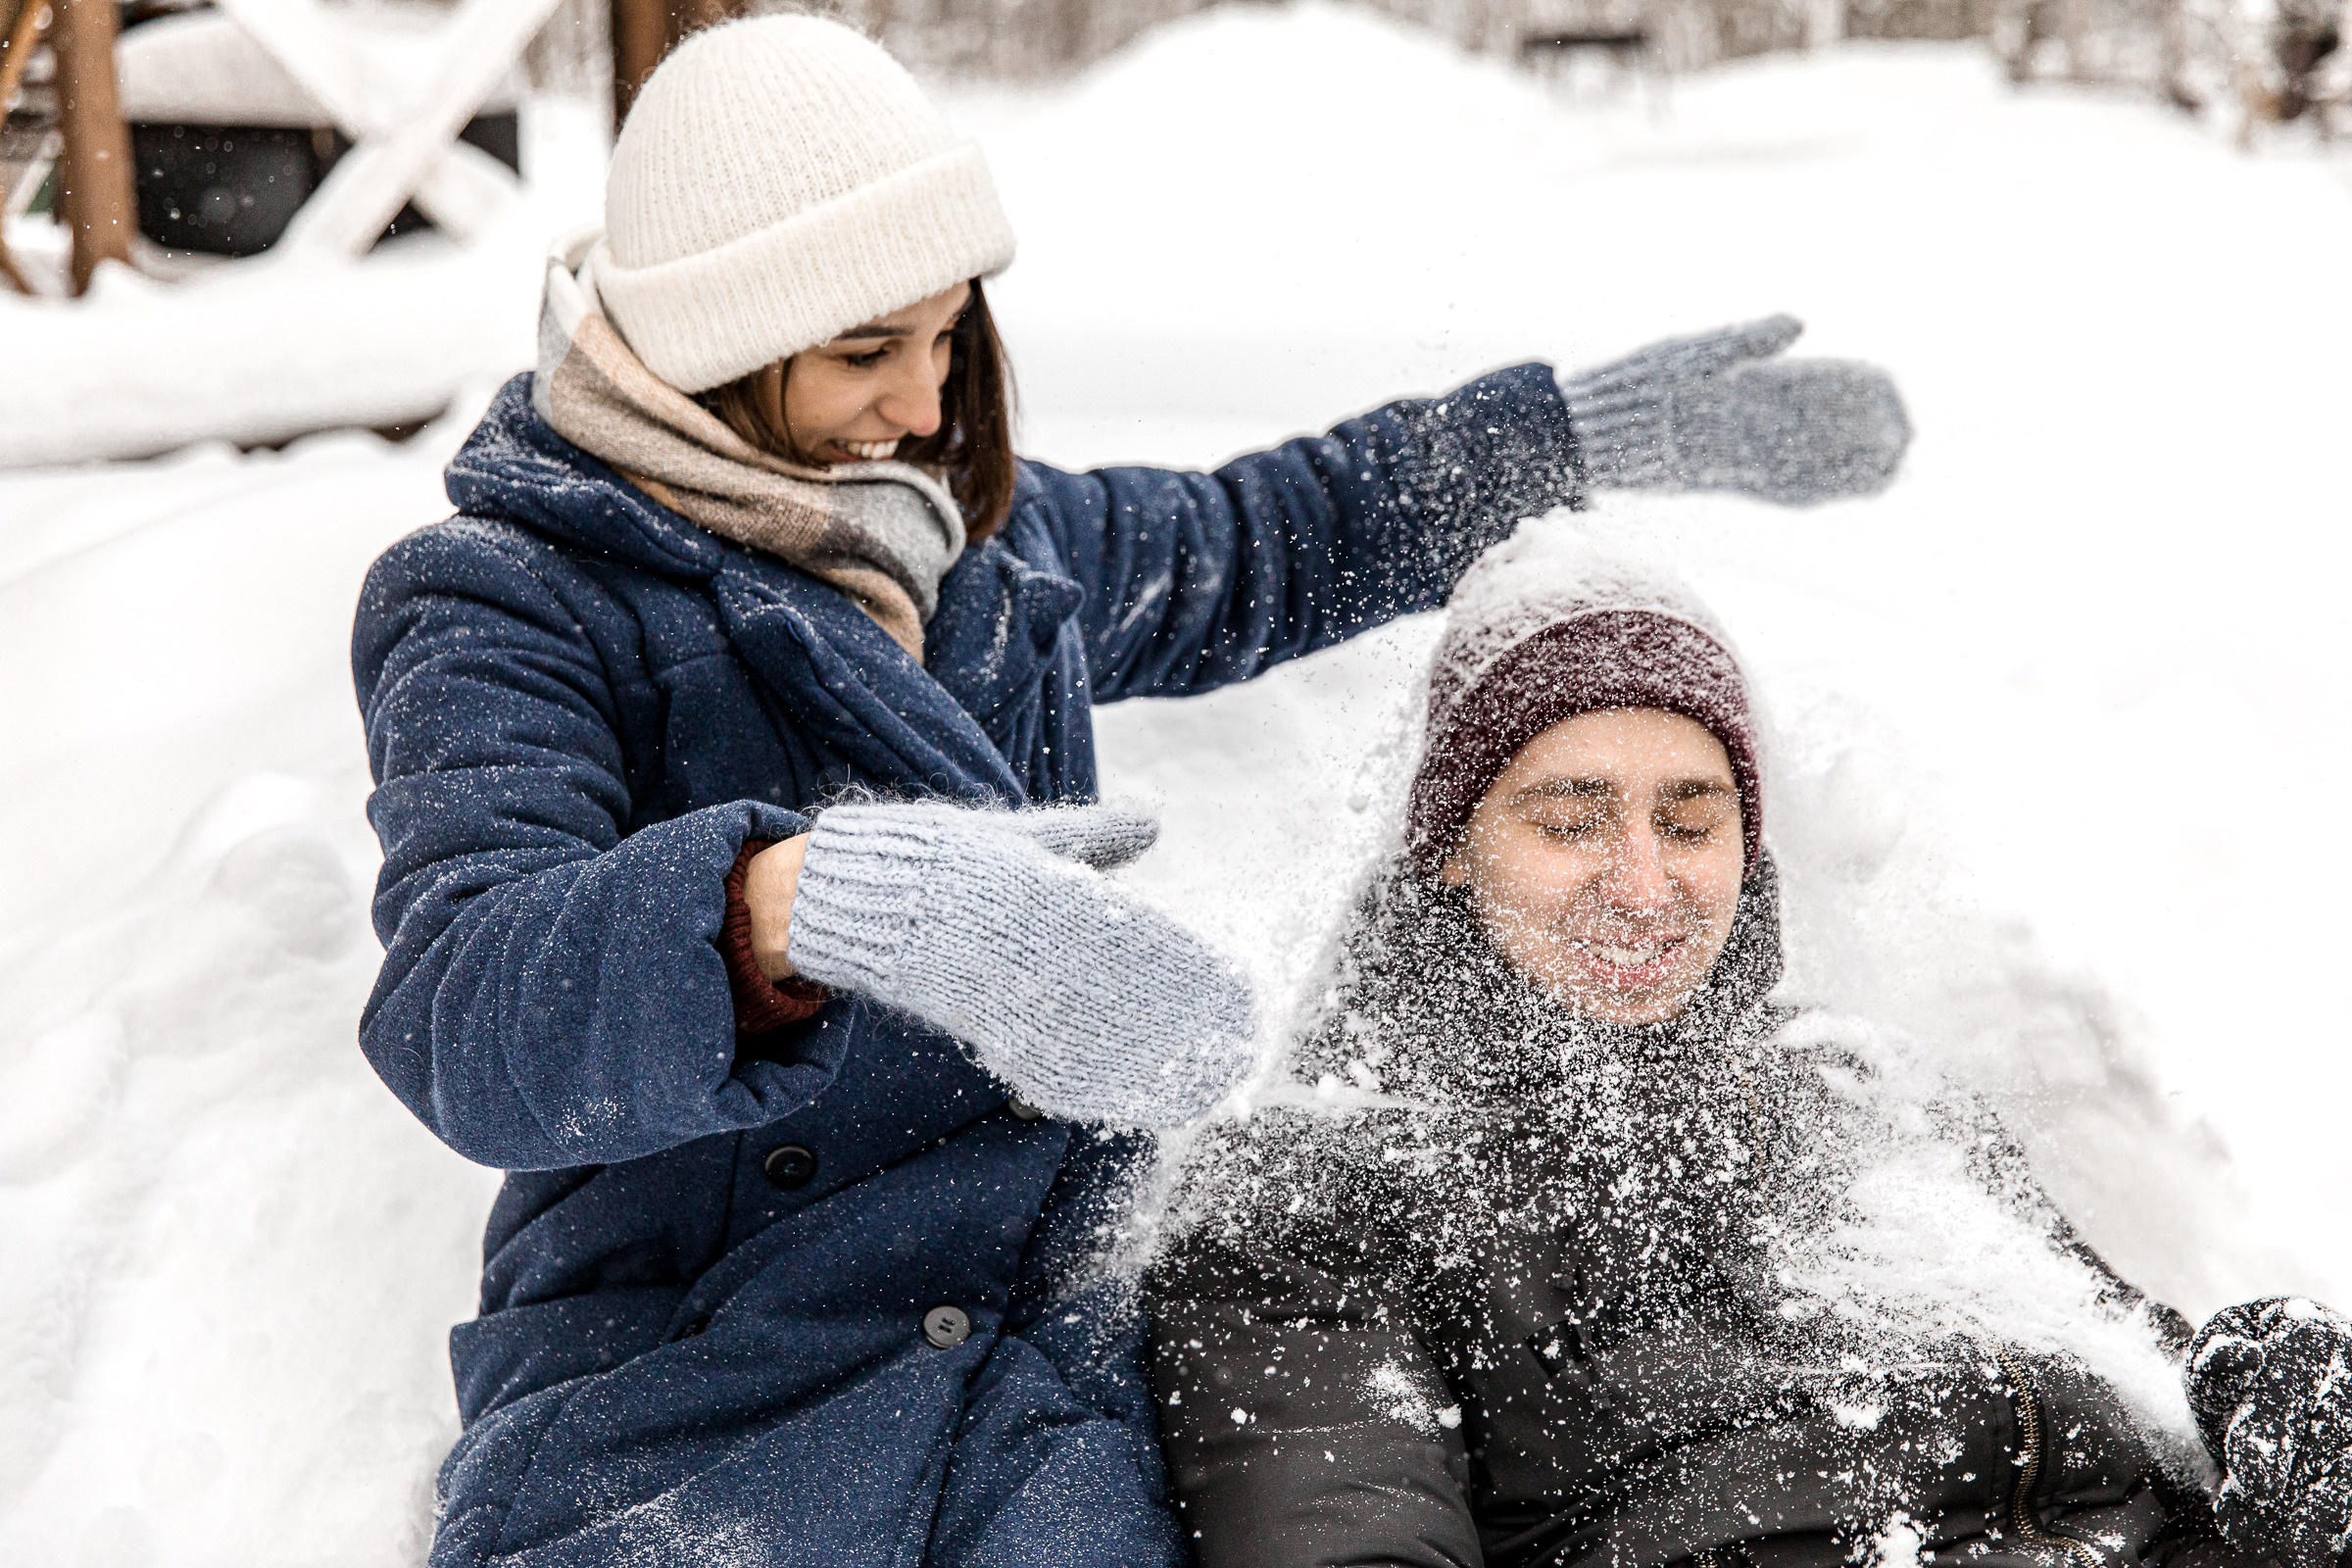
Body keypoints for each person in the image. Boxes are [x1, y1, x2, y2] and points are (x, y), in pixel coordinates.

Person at [351, 14, 1914, 1566]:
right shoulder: (501, 598)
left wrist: (1573, 433)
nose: (925, 403)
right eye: (865, 353)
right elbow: (464, 1010)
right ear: (713, 348)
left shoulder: (969, 543)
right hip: (694, 1370)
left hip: (1033, 1361)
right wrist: (807, 906)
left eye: (950, 334)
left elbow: (1272, 535)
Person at [1144, 527, 2352, 1568]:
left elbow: (2126, 1371)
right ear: (1454, 848)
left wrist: (2253, 1391)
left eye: (1691, 817)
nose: (1643, 881)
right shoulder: (1314, 1197)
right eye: (1570, 820)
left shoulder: (1864, 1091)